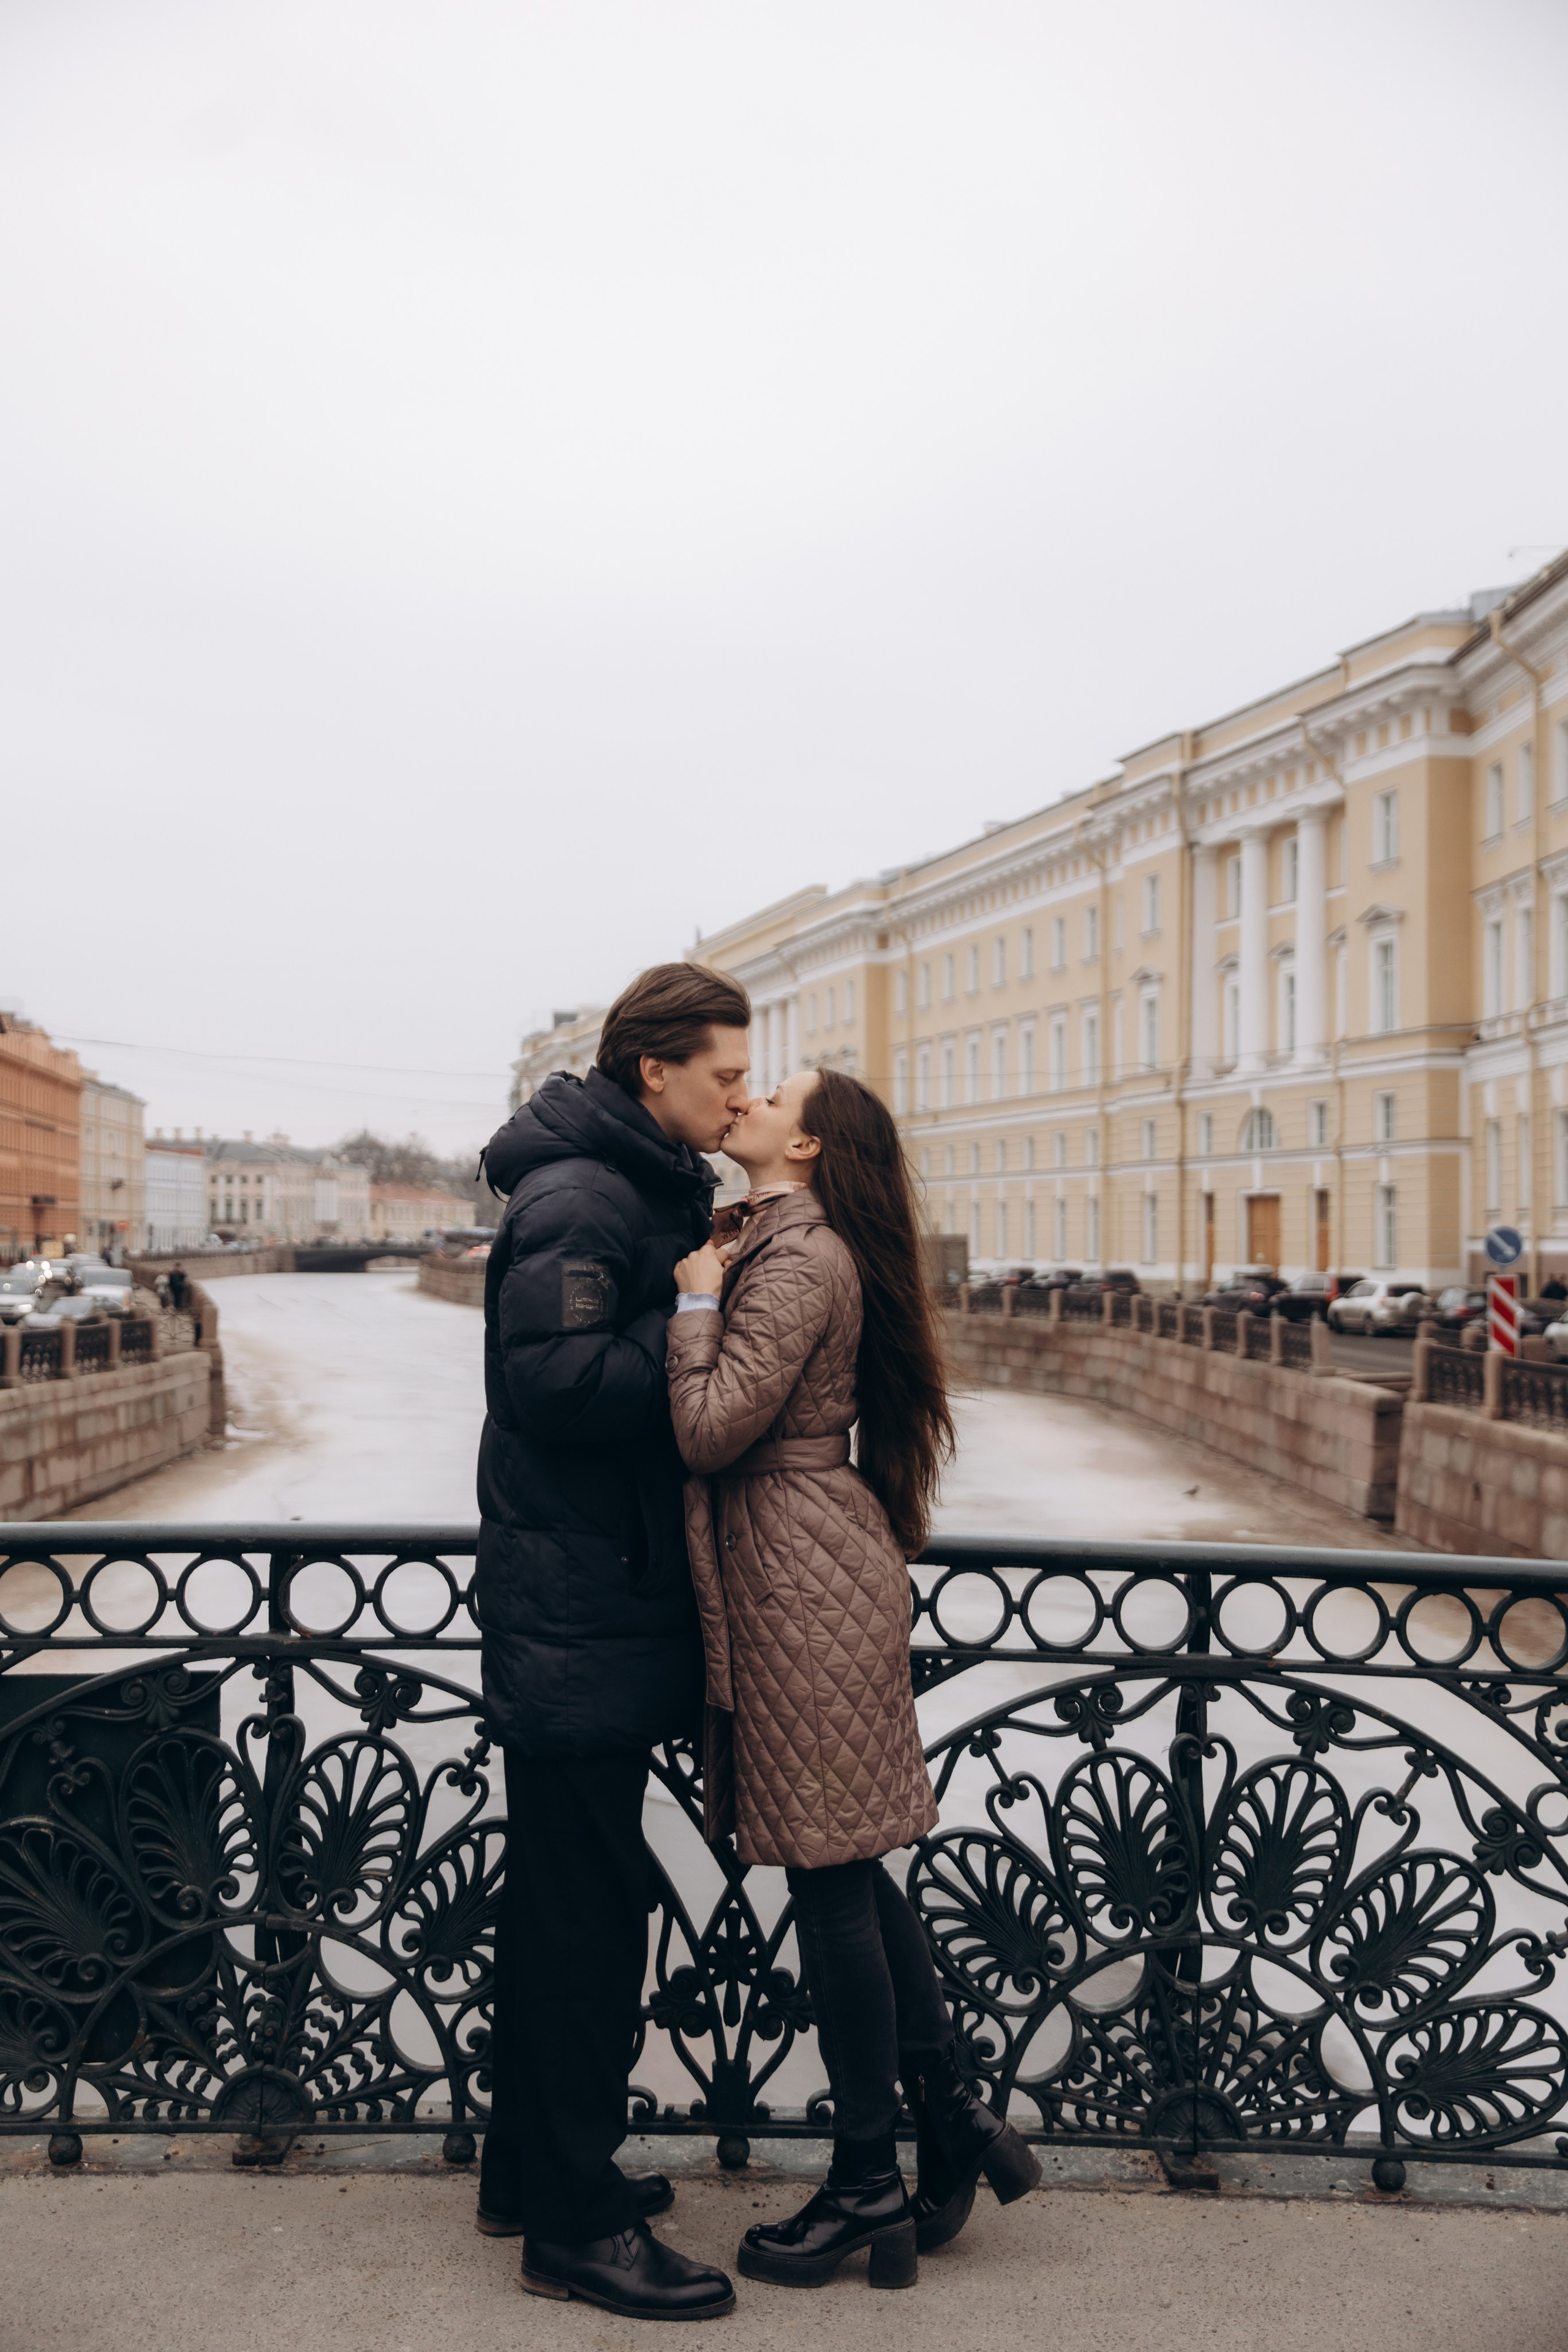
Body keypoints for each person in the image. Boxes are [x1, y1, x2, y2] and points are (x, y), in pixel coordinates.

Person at [666, 1066, 1041, 2294]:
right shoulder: (781, 1240)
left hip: (795, 1570)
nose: (740, 1096)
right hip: (809, 1558)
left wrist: (689, 1309)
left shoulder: (795, 1257)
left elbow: (713, 1427)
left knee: (826, 1875)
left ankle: (864, 2183)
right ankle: (948, 2121)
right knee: (843, 1861)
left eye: (766, 1091)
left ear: (810, 1142)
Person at [473, 962, 752, 2323]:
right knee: (589, 1915)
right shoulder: (584, 1197)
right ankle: (575, 2227)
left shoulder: (627, 1180)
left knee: (562, 1900)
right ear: (655, 1071)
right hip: (578, 1602)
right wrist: (694, 1320)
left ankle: (530, 2171)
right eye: (723, 1075)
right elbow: (554, 1381)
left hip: (590, 1592)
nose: (740, 1095)